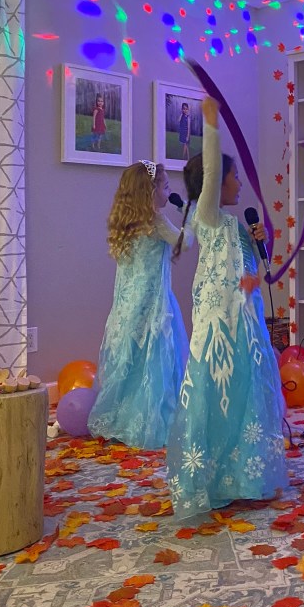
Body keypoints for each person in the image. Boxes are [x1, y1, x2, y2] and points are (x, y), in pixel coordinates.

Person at [166, 97, 288, 519]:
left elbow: (256, 268)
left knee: (246, 395)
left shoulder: (236, 225)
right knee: (214, 394)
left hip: (245, 322)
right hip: (216, 323)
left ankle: (246, 473)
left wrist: (258, 259)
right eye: (234, 177)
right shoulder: (208, 217)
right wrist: (211, 124)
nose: (237, 183)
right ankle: (212, 477)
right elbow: (212, 173)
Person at [88, 160, 190, 450]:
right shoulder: (156, 223)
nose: (169, 192)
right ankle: (150, 421)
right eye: (166, 187)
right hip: (154, 304)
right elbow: (185, 241)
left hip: (128, 305)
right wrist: (188, 213)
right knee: (154, 362)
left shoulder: (127, 223)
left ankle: (121, 417)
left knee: (129, 360)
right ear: (150, 191)